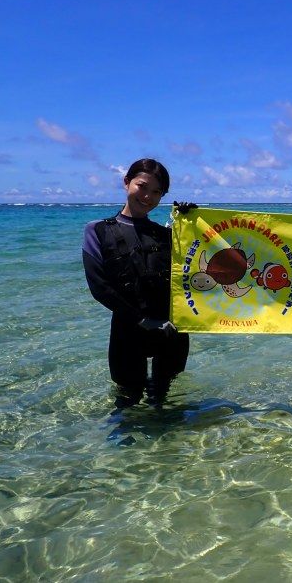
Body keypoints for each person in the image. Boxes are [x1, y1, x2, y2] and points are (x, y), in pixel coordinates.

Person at [82, 158, 190, 407]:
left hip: (170, 330)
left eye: (156, 192)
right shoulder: (98, 230)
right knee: (127, 403)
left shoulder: (167, 235)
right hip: (128, 330)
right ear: (126, 182)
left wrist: (191, 224)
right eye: (142, 186)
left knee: (165, 402)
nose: (148, 196)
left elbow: (201, 267)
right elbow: (100, 287)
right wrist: (142, 320)